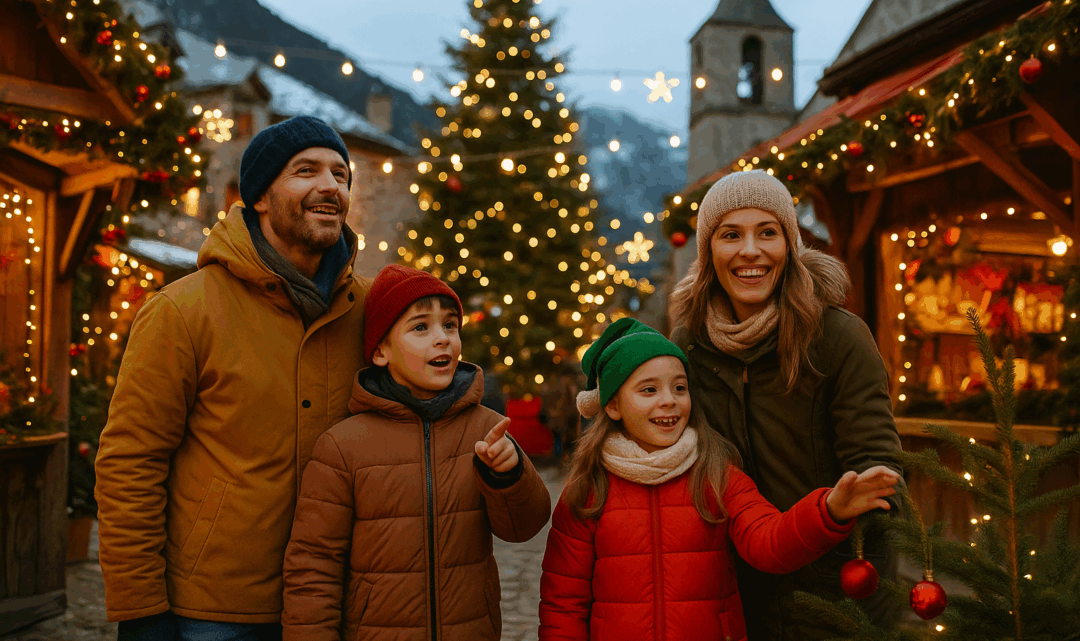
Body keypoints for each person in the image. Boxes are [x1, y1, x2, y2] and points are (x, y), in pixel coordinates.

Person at [95, 116, 370, 641]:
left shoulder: (370, 309)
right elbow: (130, 463)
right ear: (260, 197)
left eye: (340, 174)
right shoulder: (182, 311)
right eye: (305, 170)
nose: (329, 186)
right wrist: (141, 608)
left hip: (337, 602)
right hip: (215, 611)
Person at [538, 318, 899, 641]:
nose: (669, 401)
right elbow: (563, 603)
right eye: (649, 390)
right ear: (613, 406)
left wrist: (829, 510)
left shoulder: (715, 474)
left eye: (679, 388)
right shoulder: (588, 491)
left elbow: (768, 542)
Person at [667, 170, 905, 639]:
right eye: (731, 235)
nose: (750, 251)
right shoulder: (689, 345)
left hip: (836, 600)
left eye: (768, 233)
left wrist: (848, 508)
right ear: (708, 252)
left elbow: (882, 467)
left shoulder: (838, 337)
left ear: (790, 246)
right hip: (737, 598)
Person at [281, 264, 552, 641]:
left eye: (450, 325)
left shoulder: (485, 428)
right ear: (381, 351)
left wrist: (508, 475)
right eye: (420, 327)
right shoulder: (343, 446)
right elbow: (313, 567)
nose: (442, 338)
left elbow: (525, 527)